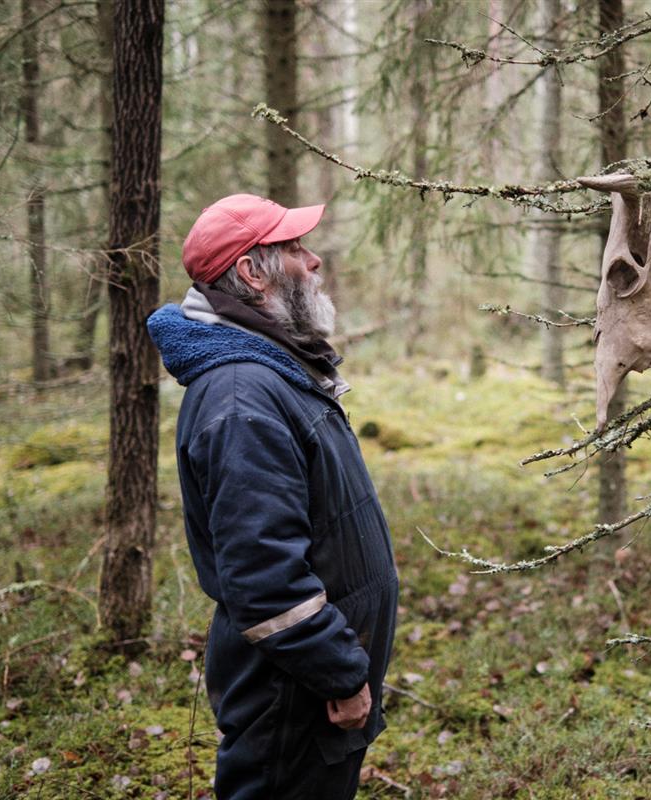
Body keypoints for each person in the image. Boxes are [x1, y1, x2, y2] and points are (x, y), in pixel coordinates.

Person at [146, 194, 398, 799]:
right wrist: (338, 672)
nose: (313, 261)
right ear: (253, 274)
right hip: (292, 687)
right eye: (294, 249)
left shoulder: (270, 372)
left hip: (304, 682)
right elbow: (264, 577)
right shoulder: (242, 397)